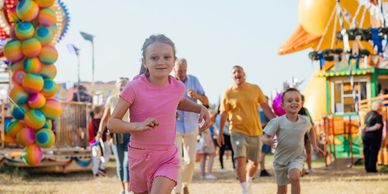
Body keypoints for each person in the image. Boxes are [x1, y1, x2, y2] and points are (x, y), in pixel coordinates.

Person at [107, 34, 211, 194]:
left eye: (166, 57)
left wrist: (200, 108)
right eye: (154, 58)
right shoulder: (134, 87)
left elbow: (180, 101)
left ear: (173, 60)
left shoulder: (177, 87)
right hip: (140, 158)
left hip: (167, 157)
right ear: (145, 62)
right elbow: (112, 123)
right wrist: (137, 126)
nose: (161, 62)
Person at [218, 65, 276, 194]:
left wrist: (275, 120)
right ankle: (245, 189)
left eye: (239, 71)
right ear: (232, 76)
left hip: (255, 131)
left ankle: (249, 180)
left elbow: (265, 106)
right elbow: (223, 113)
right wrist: (220, 132)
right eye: (234, 72)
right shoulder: (228, 92)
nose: (237, 74)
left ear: (244, 74)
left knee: (255, 163)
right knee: (240, 160)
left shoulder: (255, 88)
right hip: (237, 130)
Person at [262, 88, 322, 194]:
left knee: (294, 177)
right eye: (289, 101)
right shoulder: (277, 122)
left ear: (301, 103)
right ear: (283, 105)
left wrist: (314, 145)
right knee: (281, 190)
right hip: (280, 160)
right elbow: (264, 138)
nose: (294, 102)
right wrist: (269, 141)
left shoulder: (305, 120)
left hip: (297, 157)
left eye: (297, 100)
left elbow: (311, 130)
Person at [174, 58, 209, 194]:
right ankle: (176, 190)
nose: (182, 73)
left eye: (184, 70)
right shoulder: (169, 82)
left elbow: (206, 101)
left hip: (191, 126)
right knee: (176, 160)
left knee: (190, 160)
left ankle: (185, 184)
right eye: (179, 71)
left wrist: (196, 95)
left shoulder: (194, 80)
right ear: (173, 70)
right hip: (175, 127)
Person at [97, 78, 130, 194]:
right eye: (121, 86)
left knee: (127, 163)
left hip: (129, 134)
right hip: (116, 135)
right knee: (120, 164)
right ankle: (122, 188)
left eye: (125, 86)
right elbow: (105, 118)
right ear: (117, 87)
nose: (122, 88)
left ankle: (127, 189)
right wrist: (100, 132)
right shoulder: (112, 100)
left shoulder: (132, 99)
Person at [362, 100, 384, 173]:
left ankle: (367, 168)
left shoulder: (368, 114)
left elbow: (365, 124)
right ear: (378, 107)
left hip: (365, 136)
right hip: (373, 137)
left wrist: (366, 129)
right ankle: (372, 169)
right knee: (373, 152)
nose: (382, 108)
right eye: (381, 106)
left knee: (366, 152)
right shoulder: (378, 115)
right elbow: (378, 126)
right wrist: (369, 129)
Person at [89, 105, 110, 177]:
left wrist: (91, 142)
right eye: (102, 111)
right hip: (101, 141)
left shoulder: (91, 121)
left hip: (94, 142)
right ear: (100, 112)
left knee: (96, 156)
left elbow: (90, 133)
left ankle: (96, 171)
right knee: (106, 153)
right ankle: (100, 168)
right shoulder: (101, 121)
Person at [214, 106, 235, 172]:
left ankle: (234, 166)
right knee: (221, 151)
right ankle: (222, 167)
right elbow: (220, 126)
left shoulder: (229, 114)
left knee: (233, 150)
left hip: (230, 135)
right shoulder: (218, 116)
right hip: (223, 135)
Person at [298, 95, 315, 175]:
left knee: (308, 151)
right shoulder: (294, 110)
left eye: (302, 100)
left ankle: (310, 167)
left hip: (306, 135)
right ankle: (301, 169)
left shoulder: (305, 110)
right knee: (299, 153)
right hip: (297, 136)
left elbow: (311, 124)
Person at [259, 104, 271, 177]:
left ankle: (262, 169)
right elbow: (262, 124)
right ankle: (262, 170)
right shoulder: (261, 111)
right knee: (262, 153)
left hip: (262, 134)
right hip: (262, 134)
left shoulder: (261, 111)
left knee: (262, 153)